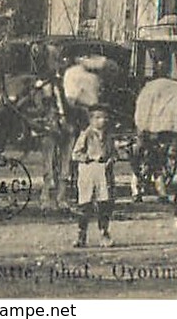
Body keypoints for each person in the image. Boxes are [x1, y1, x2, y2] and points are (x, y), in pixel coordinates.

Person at [71, 104, 116, 248]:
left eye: (104, 118)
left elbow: (113, 152)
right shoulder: (86, 134)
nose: (102, 121)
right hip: (89, 172)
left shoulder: (108, 135)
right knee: (85, 205)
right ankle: (81, 234)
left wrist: (111, 159)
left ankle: (104, 233)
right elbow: (75, 154)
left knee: (105, 204)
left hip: (104, 173)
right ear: (91, 119)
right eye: (98, 118)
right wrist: (89, 157)